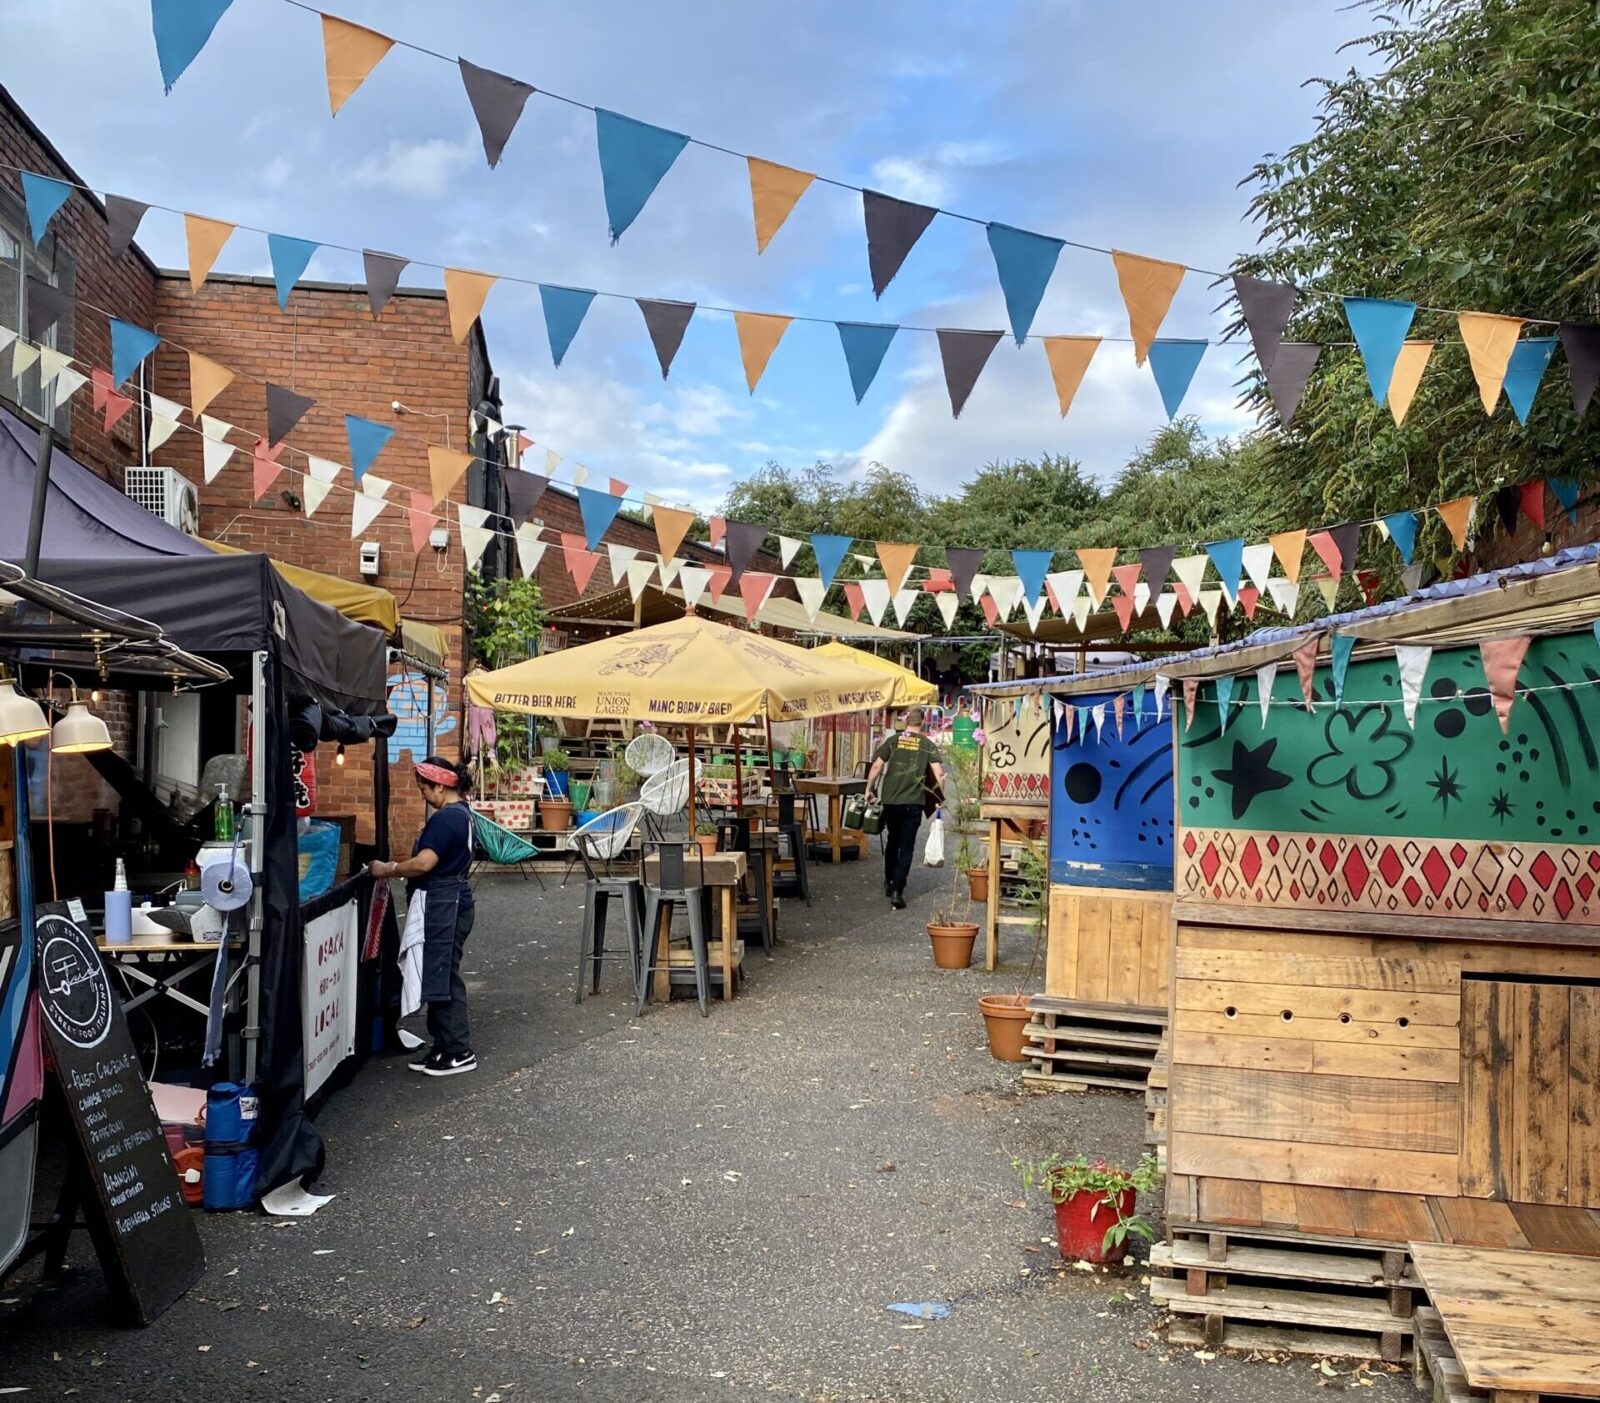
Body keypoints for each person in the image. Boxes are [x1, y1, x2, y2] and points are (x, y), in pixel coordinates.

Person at [368, 756, 477, 1077]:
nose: (421, 795)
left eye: (424, 788)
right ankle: (444, 1046)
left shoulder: (447, 820)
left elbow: (424, 863)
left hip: (444, 901)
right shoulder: (462, 814)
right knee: (438, 973)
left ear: (441, 786)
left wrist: (388, 869)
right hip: (449, 899)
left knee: (442, 975)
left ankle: (459, 1050)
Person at [866, 707, 945, 910]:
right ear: (923, 722)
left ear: (906, 722)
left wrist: (869, 788)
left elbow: (876, 765)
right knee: (907, 846)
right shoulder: (927, 744)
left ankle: (889, 880)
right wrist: (938, 797)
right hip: (913, 802)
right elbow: (940, 774)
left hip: (891, 800)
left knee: (893, 840)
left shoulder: (895, 740)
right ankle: (897, 890)